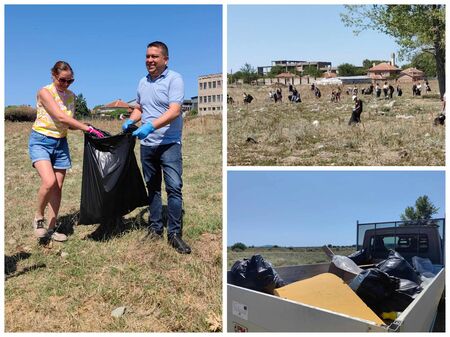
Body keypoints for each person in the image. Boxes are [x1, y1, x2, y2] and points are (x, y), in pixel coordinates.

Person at [122, 41, 191, 254]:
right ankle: (154, 228)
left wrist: (150, 126)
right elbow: (140, 108)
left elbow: (174, 111)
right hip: (147, 145)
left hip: (169, 143)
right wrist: (131, 121)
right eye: (147, 56)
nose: (149, 60)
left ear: (165, 60)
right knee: (152, 188)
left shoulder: (174, 79)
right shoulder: (142, 82)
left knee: (173, 187)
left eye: (154, 56)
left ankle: (174, 234)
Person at [29, 61, 104, 242]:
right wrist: (87, 129)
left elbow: (68, 123)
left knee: (58, 187)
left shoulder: (71, 96)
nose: (66, 84)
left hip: (61, 143)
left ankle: (51, 228)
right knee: (49, 182)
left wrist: (83, 127)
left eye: (70, 81)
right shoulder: (44, 92)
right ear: (54, 76)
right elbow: (60, 116)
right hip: (41, 141)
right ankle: (38, 217)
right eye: (63, 80)